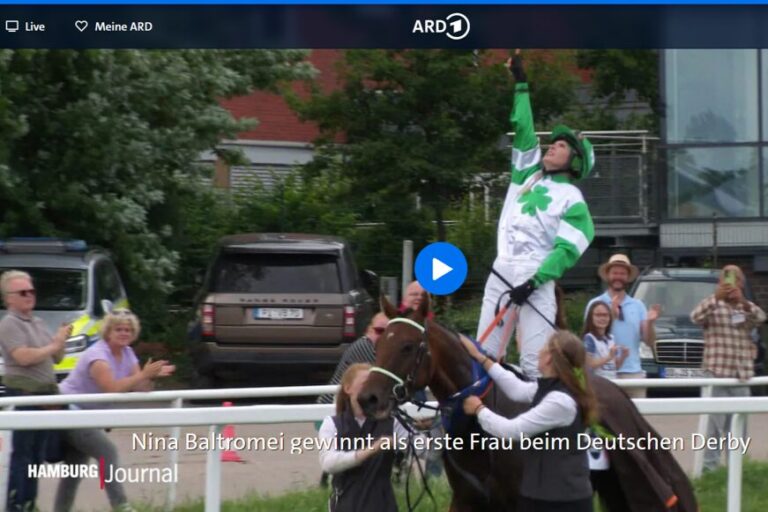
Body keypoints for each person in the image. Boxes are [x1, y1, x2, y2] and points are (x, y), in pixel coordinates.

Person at [477, 50, 595, 376]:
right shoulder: (526, 173)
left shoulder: (573, 199)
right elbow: (524, 129)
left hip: (537, 278)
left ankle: (535, 426)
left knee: (533, 362)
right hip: (502, 268)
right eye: (552, 143)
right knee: (482, 354)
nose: (552, 146)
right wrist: (521, 84)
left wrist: (534, 282)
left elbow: (567, 249)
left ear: (574, 161)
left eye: (561, 146)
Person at [462, 331, 597, 512]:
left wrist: (479, 410)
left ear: (550, 358)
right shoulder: (550, 389)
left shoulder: (560, 402)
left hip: (562, 502)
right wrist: (481, 358)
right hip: (540, 496)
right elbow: (516, 389)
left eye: (543, 348)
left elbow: (513, 430)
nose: (539, 352)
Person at [54, 309, 175, 512]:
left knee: (74, 470)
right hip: (70, 411)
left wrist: (151, 376)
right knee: (107, 452)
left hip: (89, 416)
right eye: (119, 329)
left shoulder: (127, 353)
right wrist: (142, 375)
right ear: (108, 332)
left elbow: (139, 387)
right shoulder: (97, 356)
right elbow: (111, 389)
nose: (124, 333)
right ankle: (121, 506)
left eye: (128, 330)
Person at [0, 270, 71, 512]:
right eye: (23, 292)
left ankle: (30, 503)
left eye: (31, 291)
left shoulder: (39, 323)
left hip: (44, 396)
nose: (29, 295)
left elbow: (58, 357)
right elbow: (23, 357)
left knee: (37, 456)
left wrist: (61, 340)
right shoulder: (9, 324)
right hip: (23, 394)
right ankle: (16, 504)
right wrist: (54, 344)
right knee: (22, 455)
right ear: (9, 298)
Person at [690, 265, 766, 472]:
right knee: (713, 429)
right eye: (726, 280)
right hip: (717, 374)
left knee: (738, 428)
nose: (731, 284)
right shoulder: (712, 304)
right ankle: (709, 471)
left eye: (736, 280)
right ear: (719, 283)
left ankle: (737, 469)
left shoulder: (744, 307)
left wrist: (742, 302)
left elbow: (761, 318)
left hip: (741, 376)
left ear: (741, 284)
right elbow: (695, 317)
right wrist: (716, 297)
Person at [318, 363, 411, 512]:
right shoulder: (332, 424)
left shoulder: (393, 423)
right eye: (364, 384)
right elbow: (328, 463)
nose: (370, 389)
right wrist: (370, 450)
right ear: (348, 389)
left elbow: (428, 451)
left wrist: (437, 424)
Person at [585, 254, 660, 398]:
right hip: (603, 373)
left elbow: (649, 341)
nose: (618, 277)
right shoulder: (596, 304)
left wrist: (650, 322)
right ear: (607, 275)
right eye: (615, 273)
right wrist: (611, 316)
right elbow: (589, 338)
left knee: (635, 418)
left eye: (622, 273)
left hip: (633, 372)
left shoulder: (638, 305)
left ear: (627, 277)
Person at [318, 312, 388, 405]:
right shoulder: (365, 346)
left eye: (387, 332)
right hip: (331, 407)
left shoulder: (375, 348)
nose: (383, 336)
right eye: (379, 331)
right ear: (369, 330)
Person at [582, 301, 628, 379]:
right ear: (591, 317)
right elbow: (588, 364)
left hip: (612, 381)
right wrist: (608, 357)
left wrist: (623, 356)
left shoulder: (611, 338)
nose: (602, 318)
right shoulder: (589, 338)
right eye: (598, 315)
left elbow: (614, 366)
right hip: (598, 383)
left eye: (605, 315)